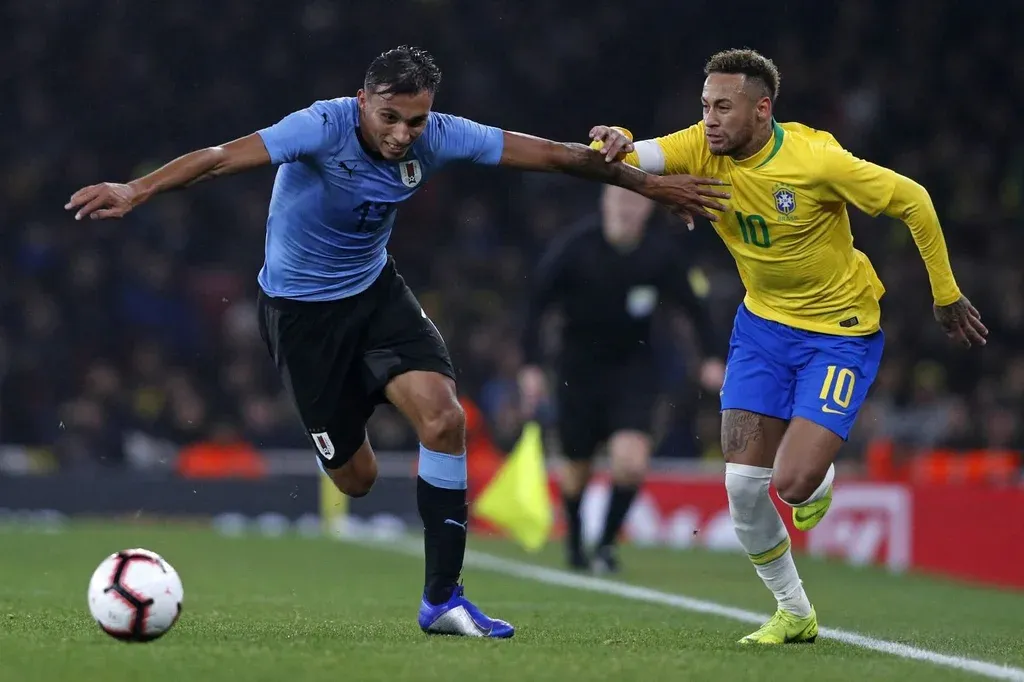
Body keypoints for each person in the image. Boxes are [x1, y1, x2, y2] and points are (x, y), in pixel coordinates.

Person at [64, 46, 731, 640]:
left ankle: (443, 599)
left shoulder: (440, 135)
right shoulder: (319, 127)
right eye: (390, 118)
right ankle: (348, 419)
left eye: (415, 121)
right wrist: (136, 188)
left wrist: (648, 184)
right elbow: (217, 160)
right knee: (356, 481)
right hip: (302, 319)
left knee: (445, 419)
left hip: (376, 296)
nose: (403, 134)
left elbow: (558, 156)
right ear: (363, 101)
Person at [589, 48, 987, 644]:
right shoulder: (702, 143)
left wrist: (946, 293)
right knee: (741, 488)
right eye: (705, 106)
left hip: (839, 333)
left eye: (724, 107)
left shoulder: (816, 161)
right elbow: (628, 154)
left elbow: (915, 200)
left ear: (762, 109)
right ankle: (795, 612)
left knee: (792, 484)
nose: (710, 119)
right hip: (762, 330)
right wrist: (617, 139)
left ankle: (815, 476)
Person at [519, 184, 725, 573]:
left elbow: (693, 307)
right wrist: (531, 365)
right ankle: (576, 539)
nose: (627, 208)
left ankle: (606, 544)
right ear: (605, 202)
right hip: (577, 371)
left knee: (631, 462)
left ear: (648, 208)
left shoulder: (661, 254)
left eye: (635, 201)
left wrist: (711, 357)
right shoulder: (575, 247)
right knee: (575, 471)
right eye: (620, 199)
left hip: (633, 369)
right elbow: (536, 303)